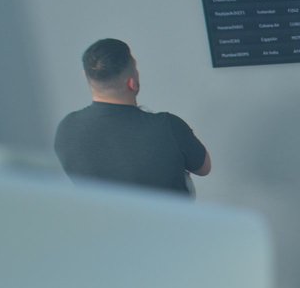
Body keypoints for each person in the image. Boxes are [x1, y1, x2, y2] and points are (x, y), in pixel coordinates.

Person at [54, 38, 210, 194]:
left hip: (103, 218)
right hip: (170, 218)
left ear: (86, 77)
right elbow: (204, 168)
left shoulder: (66, 128)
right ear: (132, 83)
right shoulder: (168, 126)